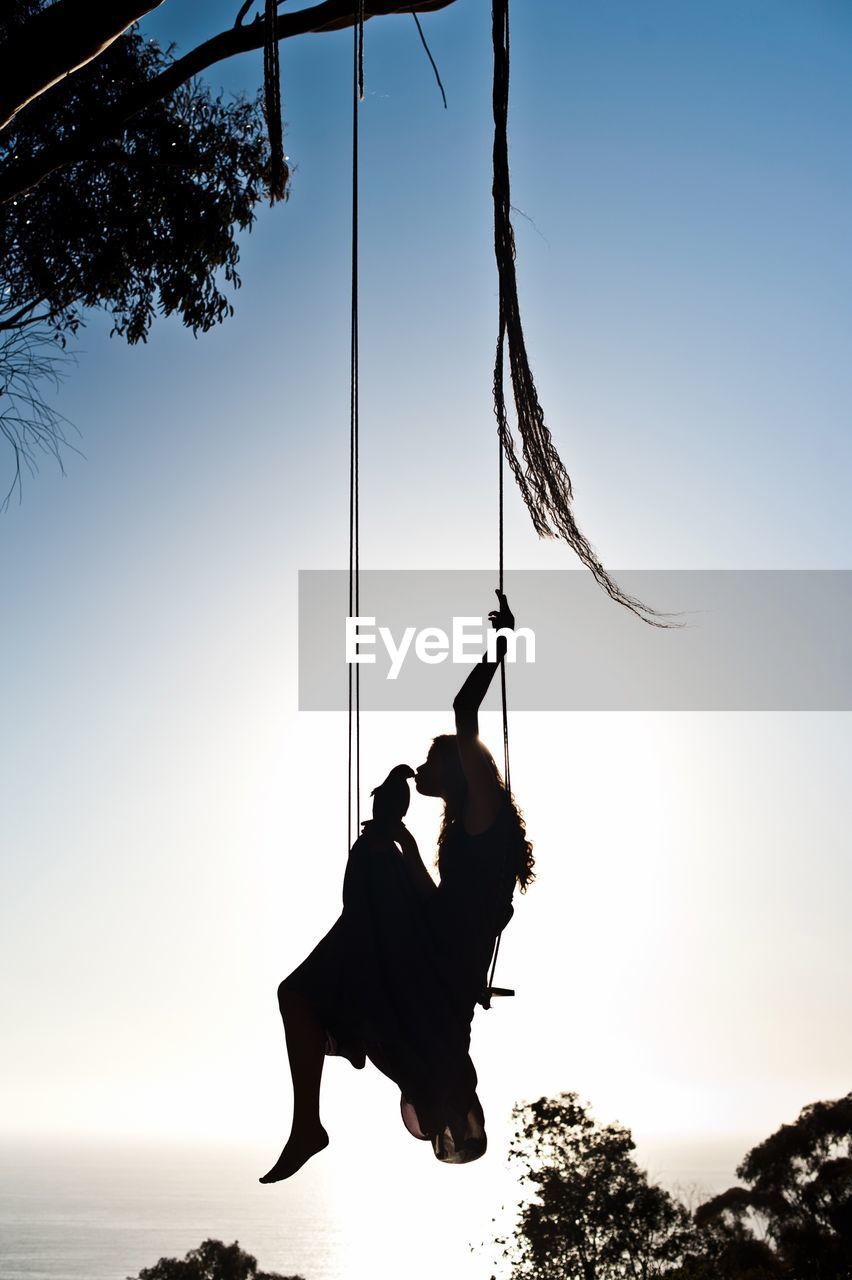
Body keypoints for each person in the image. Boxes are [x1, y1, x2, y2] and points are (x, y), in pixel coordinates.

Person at [259, 590, 534, 1182]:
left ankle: (321, 1094)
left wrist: (501, 642)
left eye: (434, 761)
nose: (423, 766)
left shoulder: (484, 810)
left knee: (369, 874)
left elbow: (464, 709)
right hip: (438, 958)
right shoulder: (463, 830)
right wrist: (405, 844)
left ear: (461, 770)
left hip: (438, 966)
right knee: (299, 992)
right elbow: (442, 905)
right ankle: (310, 1116)